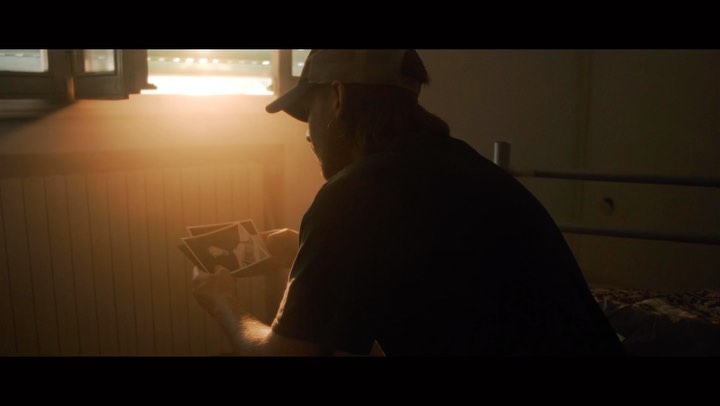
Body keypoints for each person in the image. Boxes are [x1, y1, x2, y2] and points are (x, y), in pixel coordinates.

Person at [191, 49, 625, 356]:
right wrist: (298, 252)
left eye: (310, 111)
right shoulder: (465, 166)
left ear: (338, 98)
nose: (307, 133)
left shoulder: (352, 194)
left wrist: (223, 302)